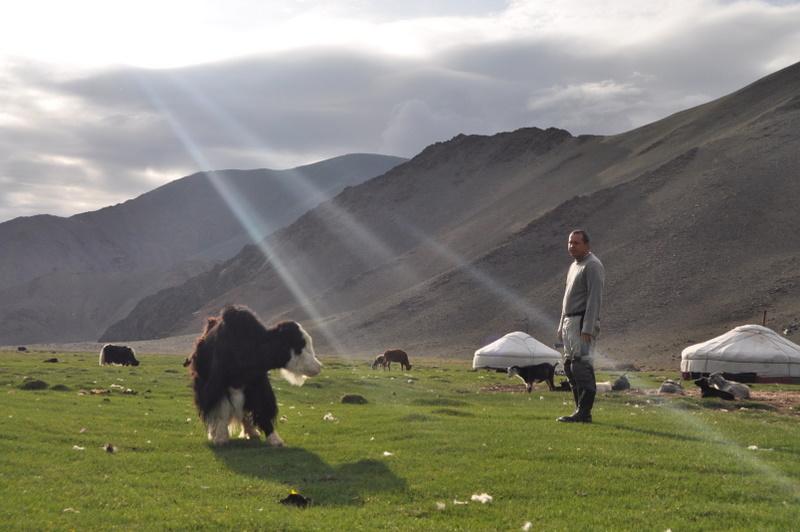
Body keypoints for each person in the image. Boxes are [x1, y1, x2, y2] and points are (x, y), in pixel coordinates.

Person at [556, 229, 605, 423]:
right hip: (570, 321)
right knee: (569, 367)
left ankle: (585, 412)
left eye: (576, 243)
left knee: (581, 366)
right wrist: (561, 325)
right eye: (570, 242)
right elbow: (566, 299)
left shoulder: (592, 266)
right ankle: (579, 409)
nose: (571, 246)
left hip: (582, 321)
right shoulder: (573, 266)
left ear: (587, 245)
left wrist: (588, 327)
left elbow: (595, 299)